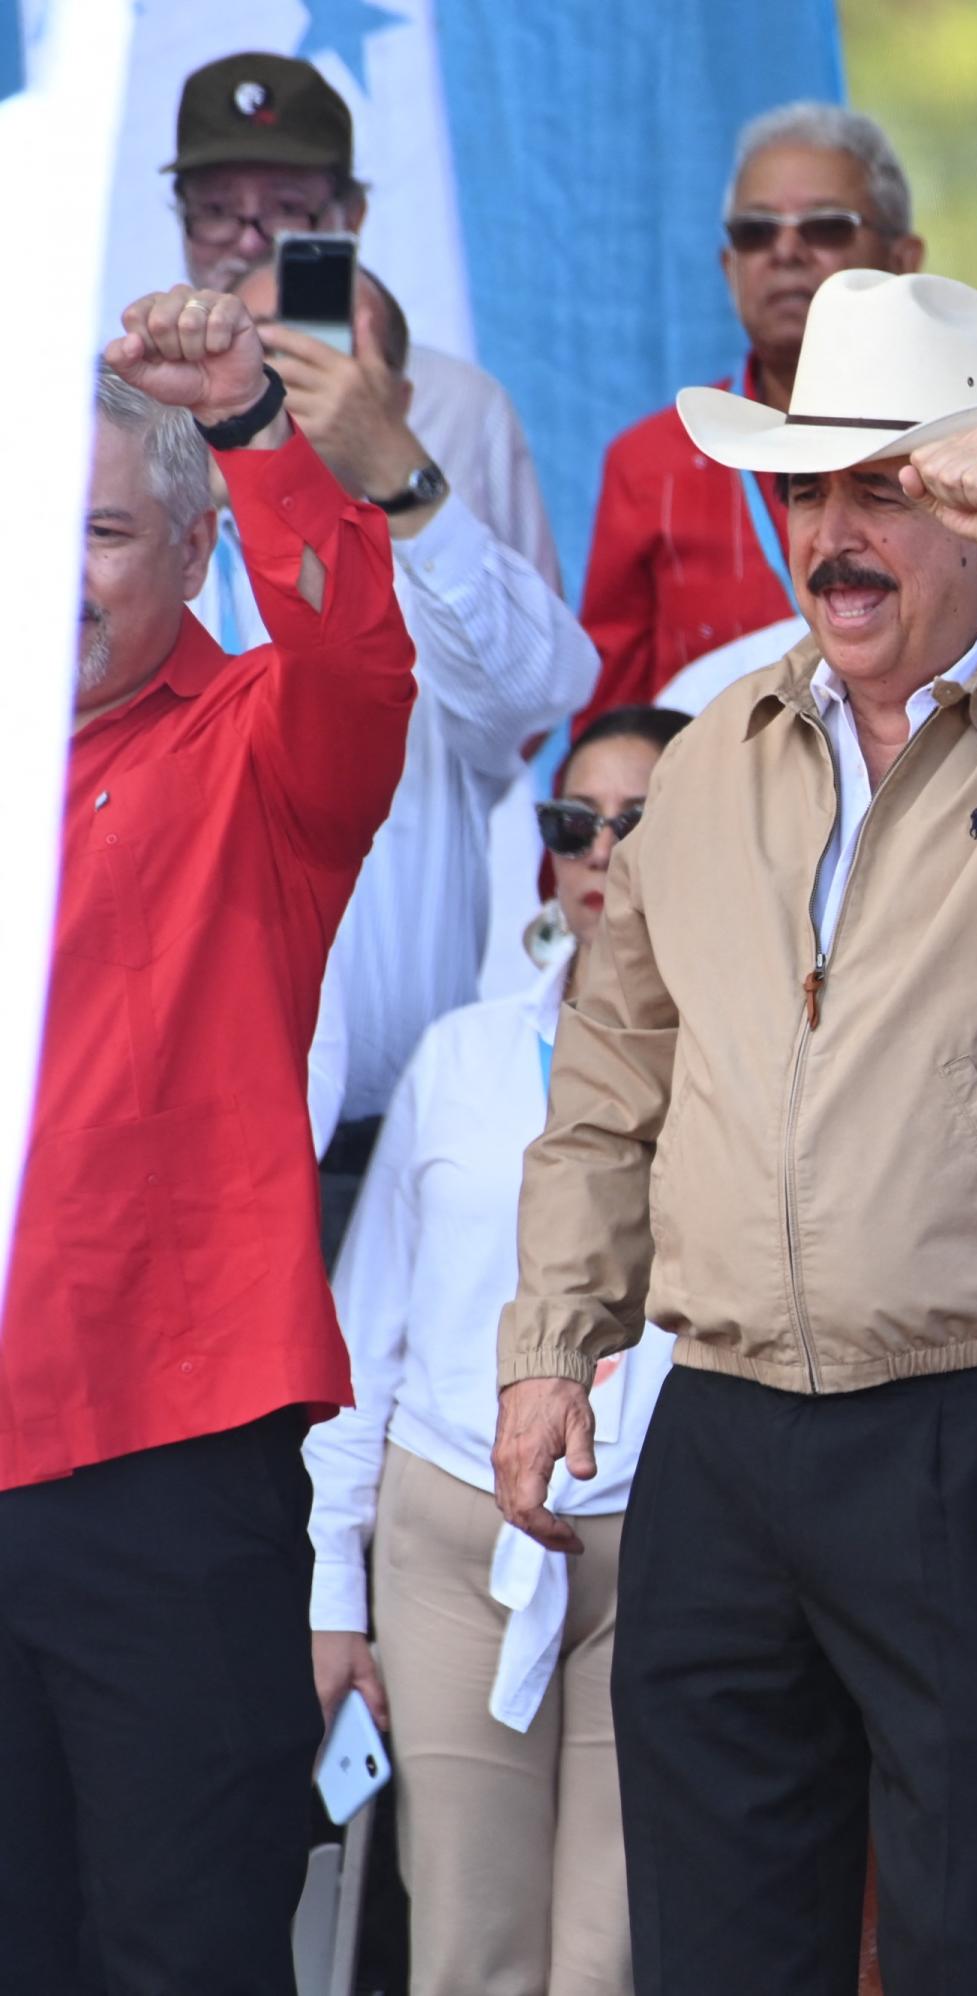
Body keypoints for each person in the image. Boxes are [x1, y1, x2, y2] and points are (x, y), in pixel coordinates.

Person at [496, 267, 977, 1992]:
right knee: (717, 1944)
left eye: (893, 490)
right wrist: (551, 1348)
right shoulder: (709, 757)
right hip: (723, 1425)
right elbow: (613, 1080)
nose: (837, 535)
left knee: (974, 1940)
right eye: (811, 491)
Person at [1, 295, 414, 1993]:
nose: (62, 570)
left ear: (190, 551)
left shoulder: (260, 743)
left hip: (160, 1458)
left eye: (99, 530)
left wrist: (257, 425)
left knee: (178, 1949)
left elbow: (357, 651)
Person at [306, 707, 690, 1996]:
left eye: (640, 823)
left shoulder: (758, 1071)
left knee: (613, 1959)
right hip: (454, 1522)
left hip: (666, 1540)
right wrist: (330, 1589)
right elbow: (366, 1338)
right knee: (467, 1948)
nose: (602, 851)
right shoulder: (460, 1054)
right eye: (574, 823)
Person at [213, 260, 601, 1245]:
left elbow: (554, 681)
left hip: (391, 1162)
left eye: (319, 344)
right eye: (253, 344)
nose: (282, 368)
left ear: (397, 394)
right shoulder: (151, 558)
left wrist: (397, 474)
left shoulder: (434, 602)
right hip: (194, 1160)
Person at [576, 101, 977, 722]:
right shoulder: (650, 461)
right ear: (728, 265)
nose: (786, 251)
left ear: (903, 258)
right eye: (755, 231)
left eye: (825, 226)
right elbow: (611, 724)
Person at [169, 51, 558, 589]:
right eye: (215, 210)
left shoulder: (463, 404)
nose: (251, 240)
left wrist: (388, 461)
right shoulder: (127, 412)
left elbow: (541, 662)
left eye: (285, 206)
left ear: (350, 217)